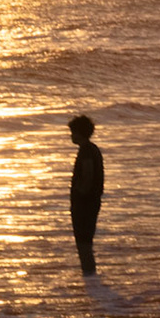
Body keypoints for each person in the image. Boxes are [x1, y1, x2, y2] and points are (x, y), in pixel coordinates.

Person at [67, 114, 104, 275]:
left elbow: (88, 175)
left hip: (85, 204)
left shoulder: (87, 151)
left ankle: (89, 276)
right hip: (89, 203)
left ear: (78, 133)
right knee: (85, 243)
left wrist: (80, 193)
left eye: (73, 132)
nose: (71, 136)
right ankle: (90, 277)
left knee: (83, 243)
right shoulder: (91, 149)